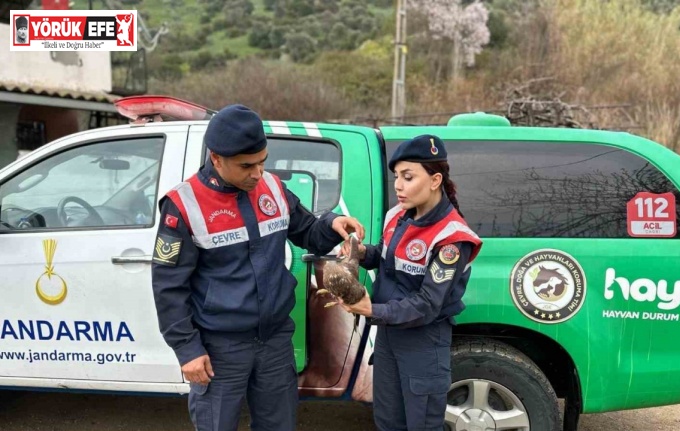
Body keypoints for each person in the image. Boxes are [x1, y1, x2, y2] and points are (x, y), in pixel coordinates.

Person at [151, 104, 365, 431]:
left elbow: (307, 230)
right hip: (220, 346)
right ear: (216, 158)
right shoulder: (183, 205)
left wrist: (332, 223)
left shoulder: (273, 189)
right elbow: (168, 287)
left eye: (263, 161)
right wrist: (187, 349)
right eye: (246, 166)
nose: (257, 173)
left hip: (274, 340)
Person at [338, 134, 482, 431]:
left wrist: (372, 310)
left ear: (434, 180)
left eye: (408, 177)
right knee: (388, 420)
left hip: (423, 341)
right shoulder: (398, 216)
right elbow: (388, 257)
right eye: (396, 177)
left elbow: (428, 304)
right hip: (390, 337)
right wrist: (363, 252)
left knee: (422, 424)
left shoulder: (452, 238)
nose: (398, 186)